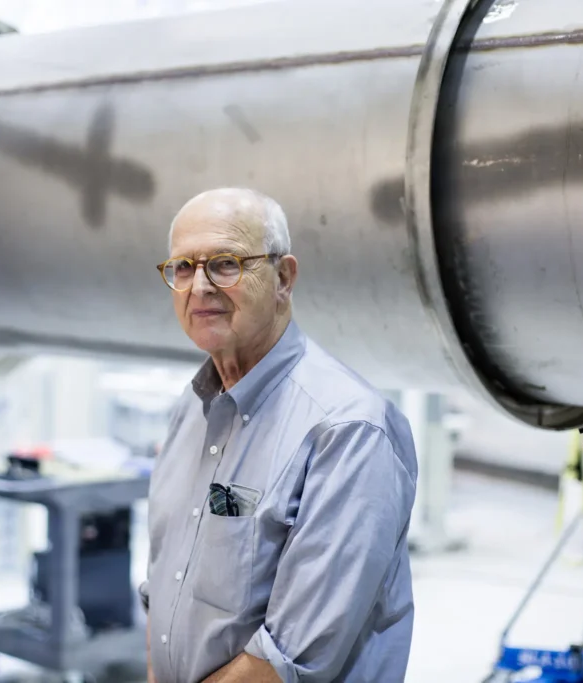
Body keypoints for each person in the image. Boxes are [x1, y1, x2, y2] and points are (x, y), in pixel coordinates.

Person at [139, 188, 419, 682]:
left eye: (225, 263)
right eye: (183, 267)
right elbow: (163, 598)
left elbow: (286, 663)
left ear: (283, 277)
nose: (199, 286)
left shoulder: (348, 430)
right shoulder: (191, 409)